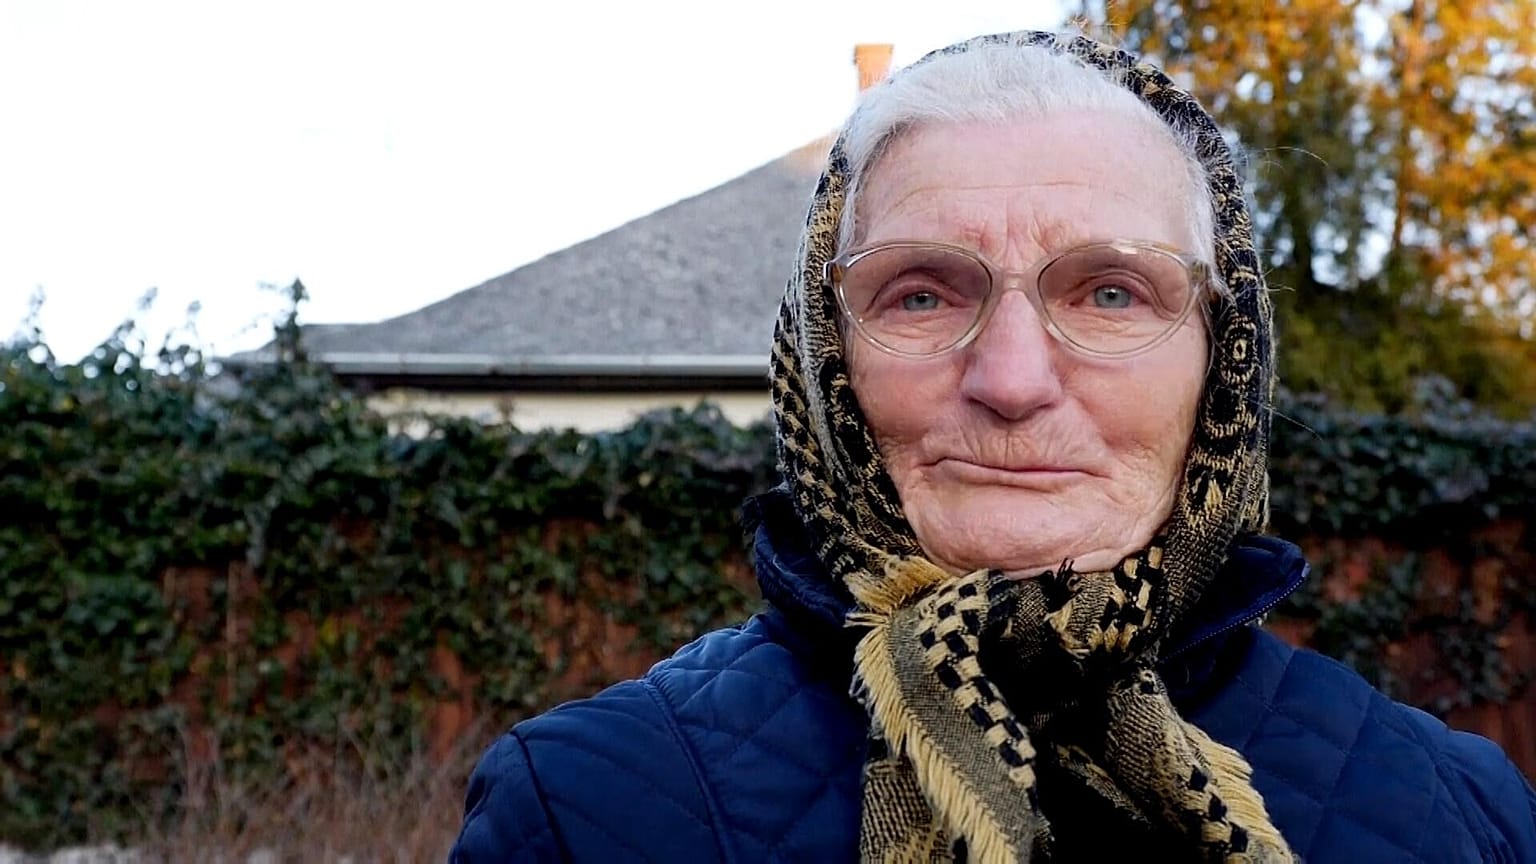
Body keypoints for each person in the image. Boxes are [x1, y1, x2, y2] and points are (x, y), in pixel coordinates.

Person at [451, 31, 1536, 863]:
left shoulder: (1464, 816)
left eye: (1112, 292)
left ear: (1225, 362)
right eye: (921, 294)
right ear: (827, 360)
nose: (1012, 379)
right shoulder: (586, 807)